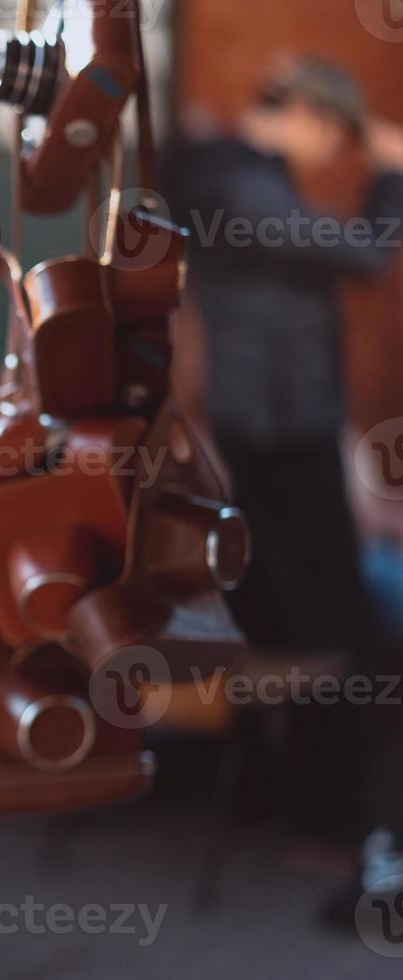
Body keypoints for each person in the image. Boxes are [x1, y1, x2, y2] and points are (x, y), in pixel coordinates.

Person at [162, 58, 403, 917]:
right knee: (330, 628)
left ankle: (298, 814)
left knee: (291, 618)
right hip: (276, 435)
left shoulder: (243, 177)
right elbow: (368, 256)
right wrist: (389, 169)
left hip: (279, 430)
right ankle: (332, 825)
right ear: (303, 113)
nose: (333, 154)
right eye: (332, 135)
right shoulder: (236, 182)